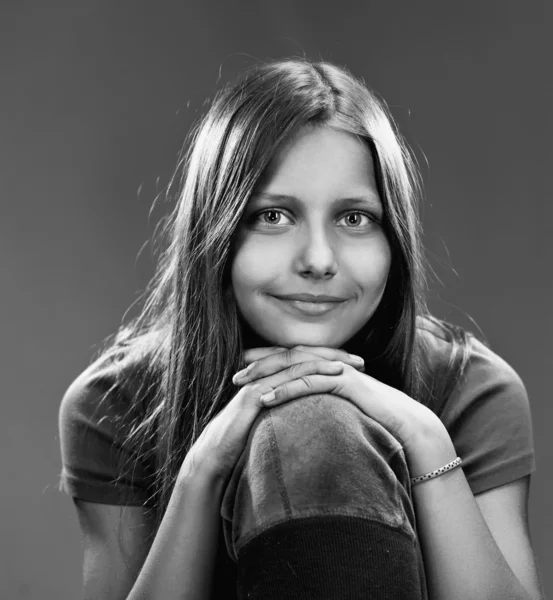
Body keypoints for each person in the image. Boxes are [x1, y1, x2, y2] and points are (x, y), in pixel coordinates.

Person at [57, 57, 544, 599]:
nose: (318, 259)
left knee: (320, 428)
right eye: (274, 216)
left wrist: (426, 440)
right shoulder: (115, 401)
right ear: (215, 231)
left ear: (394, 242)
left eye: (354, 218)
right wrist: (202, 472)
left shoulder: (474, 389)